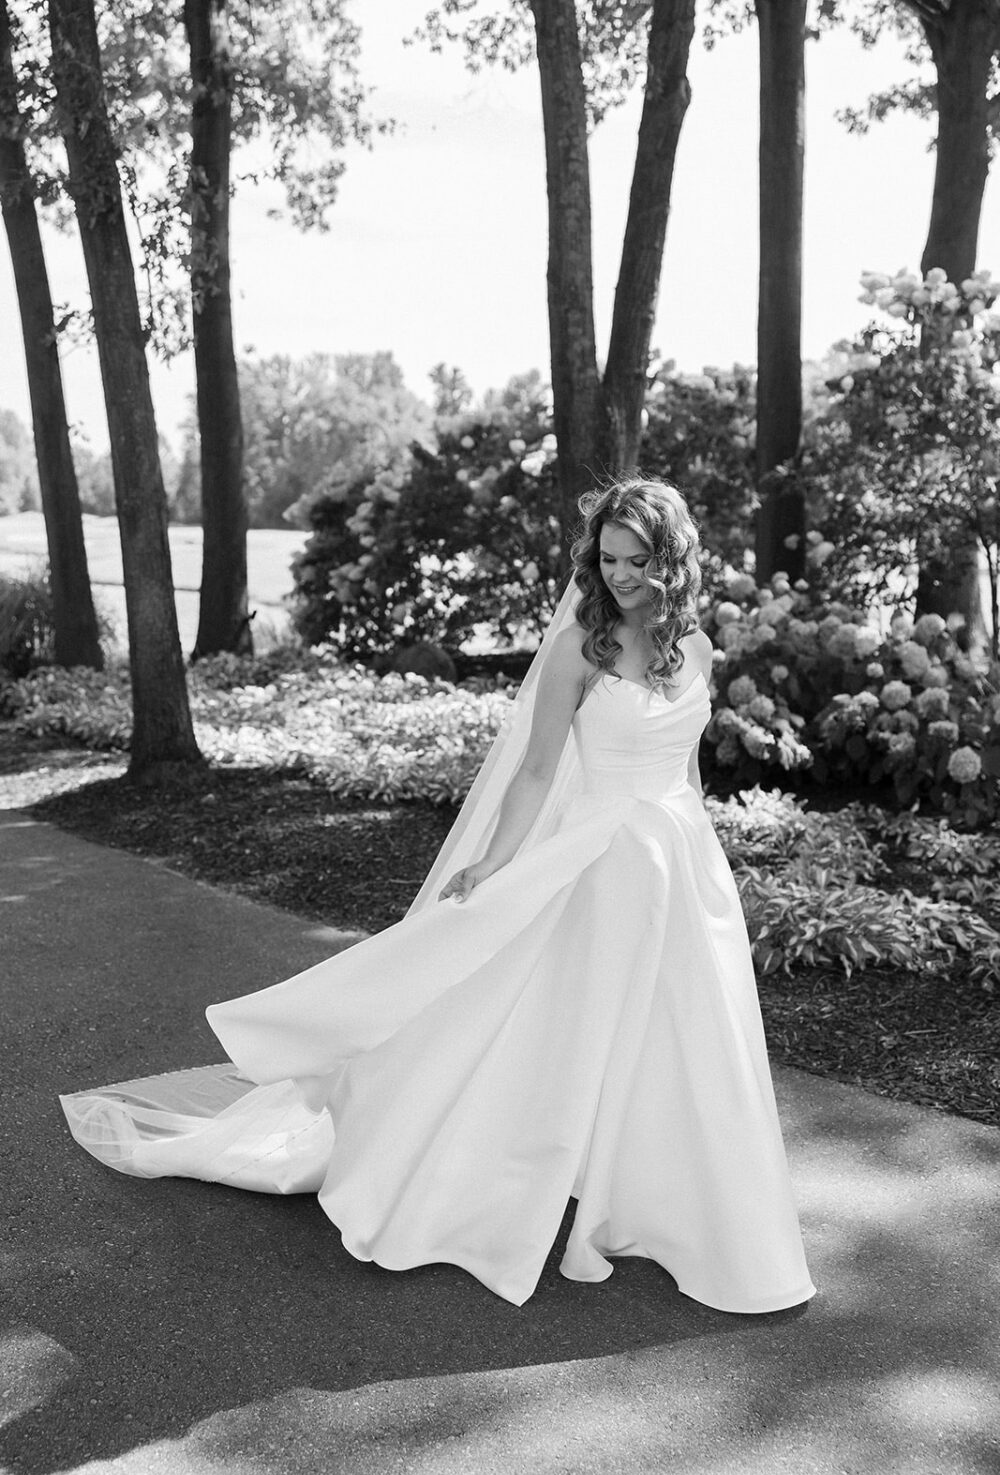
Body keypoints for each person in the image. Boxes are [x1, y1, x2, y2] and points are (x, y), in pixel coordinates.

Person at [61, 477, 815, 1314]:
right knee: (568, 1020)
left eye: (637, 560)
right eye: (606, 559)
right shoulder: (581, 649)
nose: (619, 575)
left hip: (682, 863)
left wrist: (700, 850)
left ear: (671, 560)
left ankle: (664, 1194)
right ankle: (508, 1168)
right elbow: (535, 771)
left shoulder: (699, 650)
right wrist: (493, 862)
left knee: (684, 1032)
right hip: (601, 860)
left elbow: (685, 769)